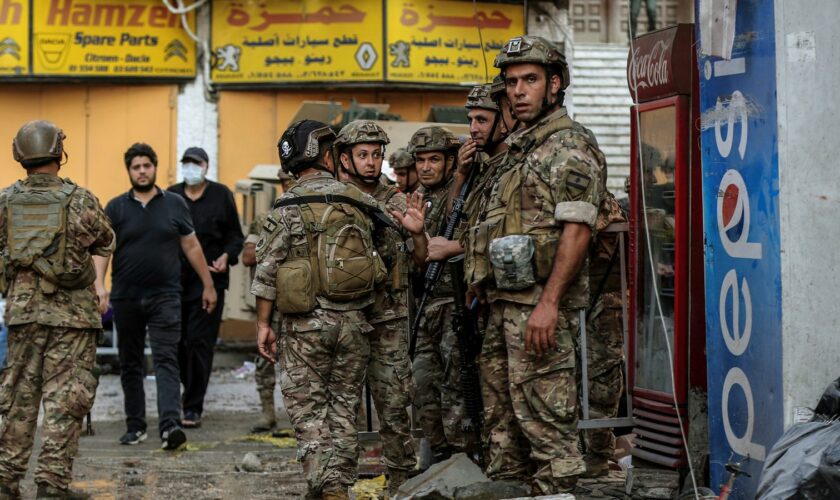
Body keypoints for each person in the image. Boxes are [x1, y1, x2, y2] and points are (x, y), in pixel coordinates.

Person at [468, 35, 605, 494]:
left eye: (530, 80)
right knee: (503, 430)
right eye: (511, 82)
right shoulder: (518, 150)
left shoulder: (567, 146)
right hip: (503, 308)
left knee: (549, 430)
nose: (518, 91)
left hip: (538, 311)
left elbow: (578, 230)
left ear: (555, 84)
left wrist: (548, 304)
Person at [252, 120, 402, 500]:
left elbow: (267, 270)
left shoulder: (286, 205)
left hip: (304, 328)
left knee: (309, 415)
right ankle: (339, 485)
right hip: (354, 324)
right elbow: (387, 257)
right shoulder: (359, 201)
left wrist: (263, 325)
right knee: (342, 409)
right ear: (328, 155)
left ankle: (328, 486)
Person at [0, 120, 115, 499]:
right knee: (65, 401)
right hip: (73, 319)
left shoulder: (4, 201)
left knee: (18, 399)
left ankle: (6, 478)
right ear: (59, 154)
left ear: (19, 155)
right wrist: (94, 280)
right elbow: (106, 240)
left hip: (23, 316)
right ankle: (51, 484)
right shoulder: (80, 199)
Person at [95, 143, 217, 451]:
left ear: (155, 168)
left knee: (166, 360)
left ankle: (170, 426)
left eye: (146, 165)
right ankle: (135, 426)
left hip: (166, 296)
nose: (142, 171)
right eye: (136, 167)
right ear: (129, 171)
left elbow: (191, 247)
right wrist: (99, 285)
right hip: (125, 297)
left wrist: (208, 284)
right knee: (131, 362)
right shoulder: (115, 207)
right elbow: (103, 251)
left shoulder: (174, 204)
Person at [333, 120, 429, 494]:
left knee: (394, 402)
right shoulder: (334, 198)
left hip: (388, 316)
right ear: (345, 158)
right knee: (341, 405)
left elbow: (422, 259)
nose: (371, 162)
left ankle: (402, 479)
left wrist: (418, 233)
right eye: (362, 155)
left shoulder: (397, 199)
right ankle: (338, 481)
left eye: (376, 154)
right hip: (344, 317)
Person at [407, 126, 477, 463]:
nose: (426, 166)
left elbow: (467, 230)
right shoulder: (416, 197)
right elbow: (418, 260)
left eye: (434, 159)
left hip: (456, 303)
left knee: (456, 387)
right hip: (427, 305)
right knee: (422, 385)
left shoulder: (463, 190)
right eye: (420, 160)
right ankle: (440, 455)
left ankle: (462, 459)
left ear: (449, 161)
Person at [168, 146, 244, 428]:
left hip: (210, 282)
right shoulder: (171, 195)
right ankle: (189, 389)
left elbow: (235, 237)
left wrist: (226, 256)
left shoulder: (221, 195)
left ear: (205, 166)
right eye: (186, 163)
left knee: (200, 343)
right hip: (176, 282)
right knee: (178, 342)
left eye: (195, 163)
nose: (190, 168)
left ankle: (192, 406)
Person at [243, 169, 294, 434]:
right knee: (265, 359)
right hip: (271, 303)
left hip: (300, 303)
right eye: (285, 182)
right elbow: (248, 256)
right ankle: (267, 414)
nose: (289, 186)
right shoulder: (265, 218)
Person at [582, 192, 627, 477]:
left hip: (602, 304)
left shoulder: (597, 197)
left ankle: (598, 455)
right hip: (571, 303)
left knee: (600, 380)